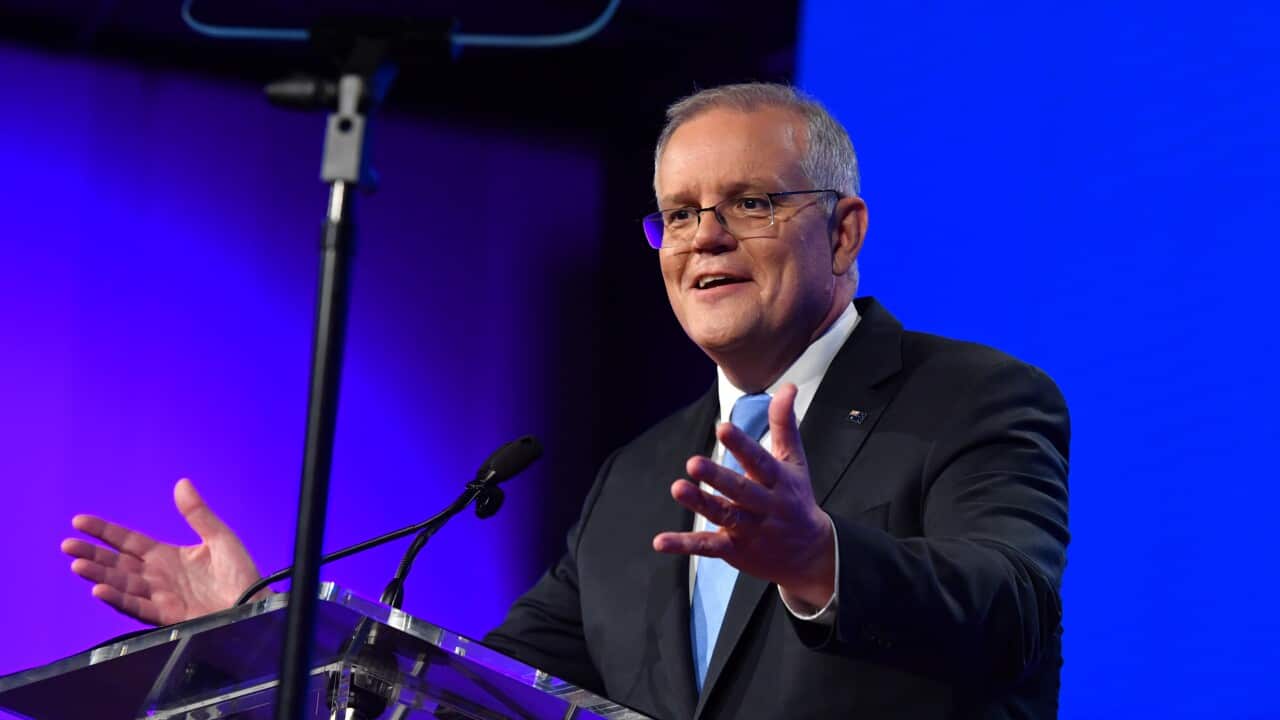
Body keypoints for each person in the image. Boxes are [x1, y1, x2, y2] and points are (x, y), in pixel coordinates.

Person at [62, 83, 1070, 719]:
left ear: (843, 233)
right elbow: (471, 694)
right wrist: (263, 632)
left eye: (750, 202)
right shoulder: (638, 476)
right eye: (678, 213)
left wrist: (821, 560)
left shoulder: (972, 399)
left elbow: (1014, 614)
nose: (705, 236)